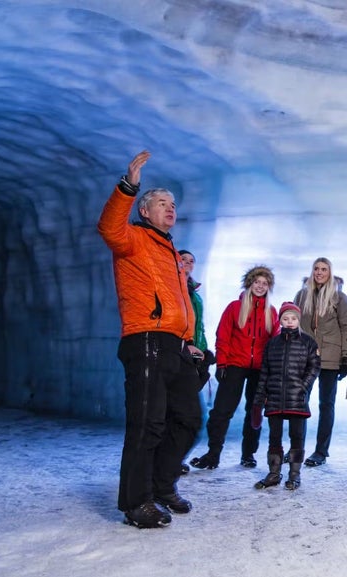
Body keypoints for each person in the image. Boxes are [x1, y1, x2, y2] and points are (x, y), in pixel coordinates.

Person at [97, 150, 201, 528]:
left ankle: (161, 483)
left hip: (175, 346)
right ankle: (136, 502)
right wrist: (128, 186)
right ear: (145, 210)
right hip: (145, 340)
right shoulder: (134, 239)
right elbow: (108, 227)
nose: (169, 208)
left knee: (188, 419)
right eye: (161, 203)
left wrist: (188, 338)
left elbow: (179, 302)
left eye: (172, 203)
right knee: (148, 424)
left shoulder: (170, 250)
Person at [190, 265, 278, 470]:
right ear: (250, 283)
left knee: (254, 411)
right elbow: (223, 336)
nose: (260, 286)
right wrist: (222, 363)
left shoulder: (271, 312)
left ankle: (248, 454)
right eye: (257, 282)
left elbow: (273, 341)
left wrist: (271, 369)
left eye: (265, 284)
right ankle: (213, 453)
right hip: (235, 365)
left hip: (259, 369)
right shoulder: (234, 308)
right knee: (222, 411)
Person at [251, 302, 321, 490]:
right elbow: (264, 372)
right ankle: (274, 473)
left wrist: (303, 386)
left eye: (293, 318)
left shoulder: (308, 342)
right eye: (285, 318)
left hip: (296, 398)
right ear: (280, 320)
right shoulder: (272, 344)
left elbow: (314, 367)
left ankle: (294, 474)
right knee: (274, 436)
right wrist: (259, 400)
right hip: (274, 398)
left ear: (299, 320)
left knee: (296, 436)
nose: (290, 322)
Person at [293, 257, 347, 467]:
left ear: (330, 272)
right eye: (316, 269)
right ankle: (296, 449)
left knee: (326, 404)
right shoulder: (302, 296)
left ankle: (320, 451)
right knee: (299, 403)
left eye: (324, 269)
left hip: (331, 357)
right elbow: (294, 325)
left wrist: (346, 358)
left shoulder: (339, 298)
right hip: (306, 357)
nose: (319, 272)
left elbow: (346, 327)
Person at [177, 249, 214, 476]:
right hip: (180, 356)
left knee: (190, 415)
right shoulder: (174, 288)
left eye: (192, 260)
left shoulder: (194, 294)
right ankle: (169, 459)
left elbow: (198, 325)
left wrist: (204, 349)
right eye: (183, 259)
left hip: (195, 357)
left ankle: (174, 458)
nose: (188, 263)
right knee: (186, 415)